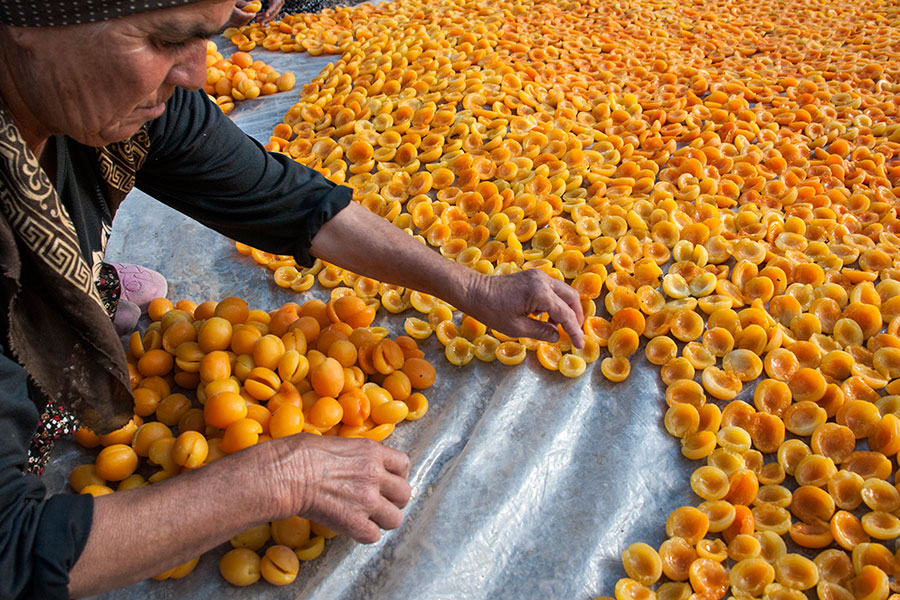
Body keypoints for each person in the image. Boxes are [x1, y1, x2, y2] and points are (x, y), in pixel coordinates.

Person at [0, 0, 584, 597]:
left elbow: (283, 197)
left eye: (209, 37)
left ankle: (78, 279)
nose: (199, 74)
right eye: (164, 40)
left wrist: (470, 286)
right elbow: (9, 555)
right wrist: (277, 478)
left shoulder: (116, 106)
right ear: (26, 20)